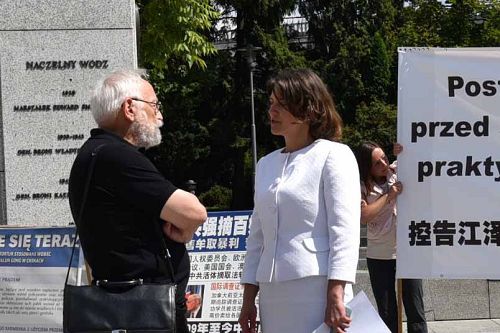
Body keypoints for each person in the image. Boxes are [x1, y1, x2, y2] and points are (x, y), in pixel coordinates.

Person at [68, 69, 207, 333]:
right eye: (154, 105)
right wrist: (185, 231)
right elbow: (194, 212)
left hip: (121, 304)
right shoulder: (118, 157)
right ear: (129, 108)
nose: (160, 115)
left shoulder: (93, 153)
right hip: (144, 312)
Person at [238, 69, 360, 333]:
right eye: (271, 104)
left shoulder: (334, 155)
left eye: (281, 105)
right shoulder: (266, 164)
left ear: (308, 108)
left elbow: (344, 230)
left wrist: (337, 289)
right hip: (272, 291)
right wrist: (248, 297)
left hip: (317, 287)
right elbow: (257, 236)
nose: (272, 111)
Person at [355, 142, 427, 333]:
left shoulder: (396, 171)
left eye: (384, 158)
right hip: (379, 255)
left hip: (407, 251)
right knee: (387, 311)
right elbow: (363, 216)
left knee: (415, 308)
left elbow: (419, 159)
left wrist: (404, 150)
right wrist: (388, 196)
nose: (384, 164)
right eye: (377, 163)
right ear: (367, 167)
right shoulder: (361, 186)